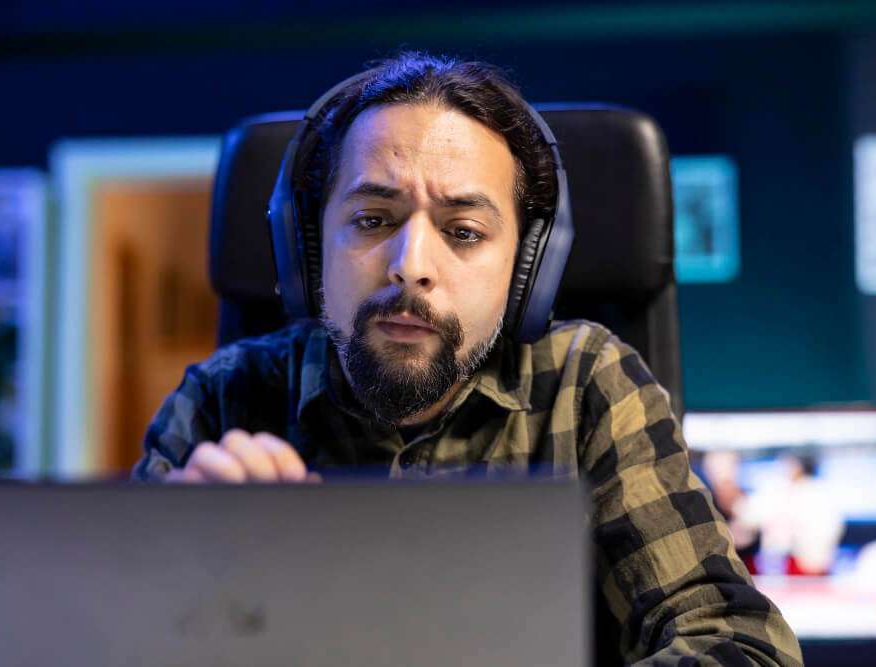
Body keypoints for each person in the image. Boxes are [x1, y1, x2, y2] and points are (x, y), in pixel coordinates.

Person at [134, 52, 802, 665]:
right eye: (371, 220)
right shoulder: (223, 401)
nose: (410, 267)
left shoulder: (585, 385)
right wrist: (187, 574)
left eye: (463, 231)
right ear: (308, 252)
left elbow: (739, 644)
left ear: (526, 272)